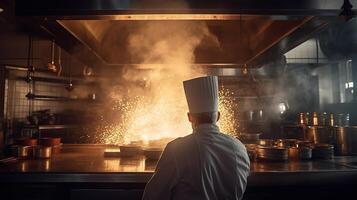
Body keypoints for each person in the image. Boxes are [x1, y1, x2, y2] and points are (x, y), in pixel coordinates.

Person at [142, 76, 250, 200]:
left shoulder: (177, 149)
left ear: (189, 117)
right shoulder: (239, 147)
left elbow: (153, 196)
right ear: (218, 116)